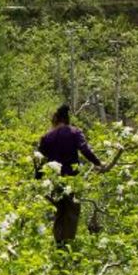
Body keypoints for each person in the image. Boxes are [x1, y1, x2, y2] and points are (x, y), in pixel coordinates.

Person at [34, 104, 105, 246]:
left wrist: (37, 180)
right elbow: (85, 150)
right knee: (71, 213)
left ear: (56, 119)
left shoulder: (47, 137)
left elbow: (39, 160)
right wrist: (98, 163)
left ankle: (58, 244)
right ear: (67, 119)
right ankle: (67, 245)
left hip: (53, 181)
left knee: (59, 212)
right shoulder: (75, 132)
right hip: (72, 179)